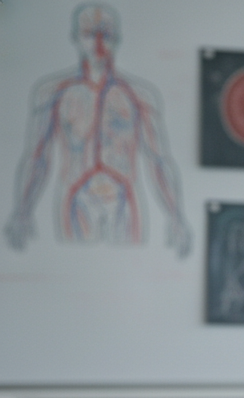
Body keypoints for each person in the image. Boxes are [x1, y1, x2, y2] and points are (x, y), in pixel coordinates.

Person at [4, 3, 190, 257]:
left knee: (130, 267)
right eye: (90, 34)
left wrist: (176, 216)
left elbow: (159, 160)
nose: (99, 44)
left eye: (107, 35)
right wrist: (21, 211)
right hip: (74, 197)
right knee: (73, 267)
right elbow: (37, 157)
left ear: (118, 40)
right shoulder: (52, 93)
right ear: (76, 38)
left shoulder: (139, 95)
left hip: (124, 196)